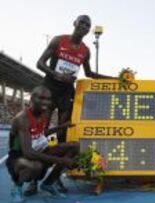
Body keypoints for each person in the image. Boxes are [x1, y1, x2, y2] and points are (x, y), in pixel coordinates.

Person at [37, 14, 113, 143]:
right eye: (82, 22)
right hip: (49, 88)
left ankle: (59, 160)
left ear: (89, 31)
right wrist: (57, 74)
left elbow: (89, 73)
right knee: (42, 127)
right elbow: (40, 63)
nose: (84, 26)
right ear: (75, 23)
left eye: (87, 25)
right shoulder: (58, 40)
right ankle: (37, 157)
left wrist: (114, 79)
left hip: (66, 92)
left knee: (63, 130)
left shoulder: (85, 51)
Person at [6, 86, 79, 202]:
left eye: (48, 99)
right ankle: (17, 187)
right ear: (32, 98)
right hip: (20, 156)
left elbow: (41, 133)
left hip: (39, 150)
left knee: (74, 146)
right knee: (35, 167)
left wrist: (61, 126)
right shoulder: (22, 119)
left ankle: (48, 184)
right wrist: (62, 161)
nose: (45, 102)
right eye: (41, 98)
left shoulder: (43, 114)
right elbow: (28, 152)